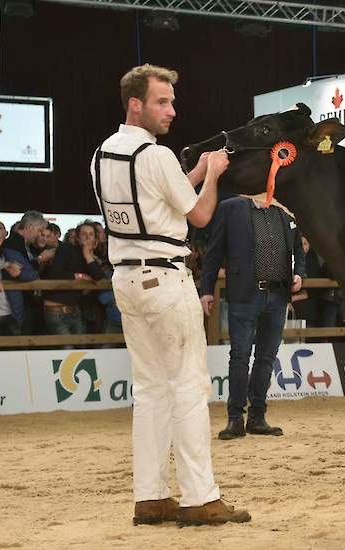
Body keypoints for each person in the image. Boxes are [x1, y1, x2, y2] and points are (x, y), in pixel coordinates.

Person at [92, 63, 248, 526]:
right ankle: (200, 497)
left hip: (126, 278)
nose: (172, 111)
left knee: (150, 390)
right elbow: (199, 215)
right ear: (135, 104)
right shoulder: (155, 154)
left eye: (172, 102)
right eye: (162, 101)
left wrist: (193, 171)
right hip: (166, 278)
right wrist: (214, 173)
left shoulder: (102, 154)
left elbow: (153, 199)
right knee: (188, 387)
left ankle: (151, 496)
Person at [199, 196, 305, 440]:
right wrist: (206, 289)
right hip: (245, 293)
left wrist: (299, 273)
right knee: (240, 356)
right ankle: (235, 418)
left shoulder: (284, 209)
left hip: (278, 293)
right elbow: (214, 251)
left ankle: (257, 416)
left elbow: (298, 247)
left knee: (266, 357)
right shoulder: (230, 207)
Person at [42, 222, 105, 335]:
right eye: (84, 234)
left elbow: (98, 277)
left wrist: (87, 253)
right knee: (67, 348)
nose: (87, 237)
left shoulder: (89, 256)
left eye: (91, 234)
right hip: (55, 310)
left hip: (75, 310)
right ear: (77, 237)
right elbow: (55, 274)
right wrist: (78, 276)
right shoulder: (65, 249)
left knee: (82, 347)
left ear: (95, 238)